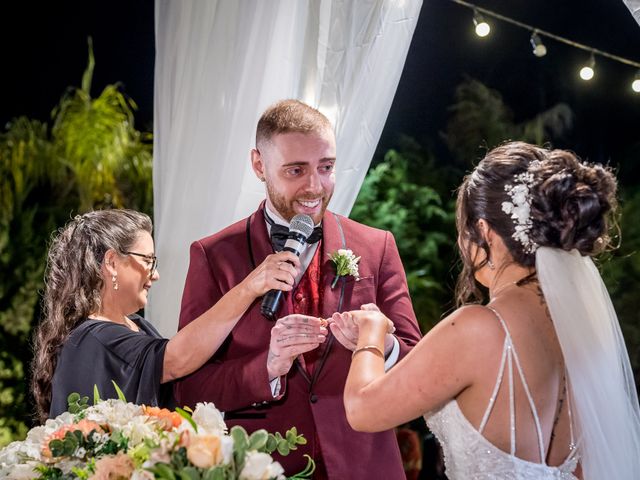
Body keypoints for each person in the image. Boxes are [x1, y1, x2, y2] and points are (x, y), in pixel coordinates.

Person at [342, 142, 640, 479]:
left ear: (483, 231)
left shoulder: (478, 328)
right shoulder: (581, 328)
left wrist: (370, 330)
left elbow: (361, 410)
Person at [175, 99, 422, 478]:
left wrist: (381, 346)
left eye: (326, 168)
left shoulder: (377, 246)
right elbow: (189, 389)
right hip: (265, 469)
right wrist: (268, 366)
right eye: (296, 170)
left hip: (366, 467)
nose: (315, 186)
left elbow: (418, 367)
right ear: (259, 165)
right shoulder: (213, 256)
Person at [32, 209, 298, 421]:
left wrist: (269, 365)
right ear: (112, 262)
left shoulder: (137, 326)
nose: (155, 275)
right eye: (148, 261)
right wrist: (249, 287)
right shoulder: (94, 338)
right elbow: (178, 358)